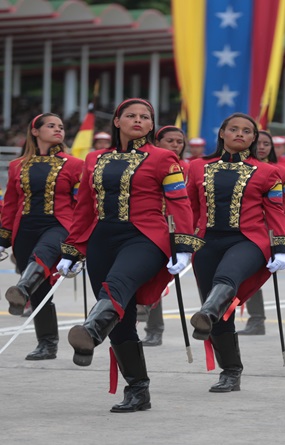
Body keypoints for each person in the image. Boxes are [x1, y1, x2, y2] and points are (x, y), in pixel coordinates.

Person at [57, 98, 202, 413]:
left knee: (118, 283)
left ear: (151, 125)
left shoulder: (165, 159)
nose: (138, 120)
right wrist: (72, 248)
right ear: (117, 121)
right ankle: (138, 390)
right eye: (131, 115)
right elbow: (83, 207)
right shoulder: (94, 159)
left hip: (147, 237)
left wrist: (184, 244)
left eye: (145, 117)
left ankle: (93, 328)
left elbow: (180, 204)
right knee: (121, 321)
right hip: (102, 240)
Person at [186, 113, 285, 392]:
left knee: (226, 279)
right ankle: (230, 371)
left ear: (254, 138)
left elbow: (277, 212)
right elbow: (191, 209)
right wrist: (183, 243)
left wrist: (281, 247)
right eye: (234, 129)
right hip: (207, 243)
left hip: (249, 241)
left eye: (247, 131)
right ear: (222, 133)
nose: (240, 134)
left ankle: (207, 311)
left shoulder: (269, 173)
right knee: (223, 316)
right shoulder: (197, 167)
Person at [0, 113, 82, 360]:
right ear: (35, 131)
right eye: (51, 126)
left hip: (59, 225)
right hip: (24, 228)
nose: (58, 130)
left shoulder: (75, 164)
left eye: (61, 127)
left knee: (42, 256)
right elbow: (10, 205)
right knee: (41, 290)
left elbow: (82, 203)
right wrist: (3, 240)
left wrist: (81, 242)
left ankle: (21, 290)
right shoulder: (17, 166)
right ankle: (47, 344)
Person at [134, 125, 189, 348]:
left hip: (173, 227)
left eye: (179, 141)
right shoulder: (148, 163)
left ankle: (154, 329)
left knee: (156, 280)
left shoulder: (187, 167)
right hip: (149, 226)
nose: (176, 145)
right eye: (170, 141)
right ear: (157, 143)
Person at [238, 130, 285, 336]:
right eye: (259, 143)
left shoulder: (283, 173)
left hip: (267, 231)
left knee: (253, 275)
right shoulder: (238, 168)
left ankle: (257, 320)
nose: (262, 147)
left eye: (266, 144)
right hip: (241, 228)